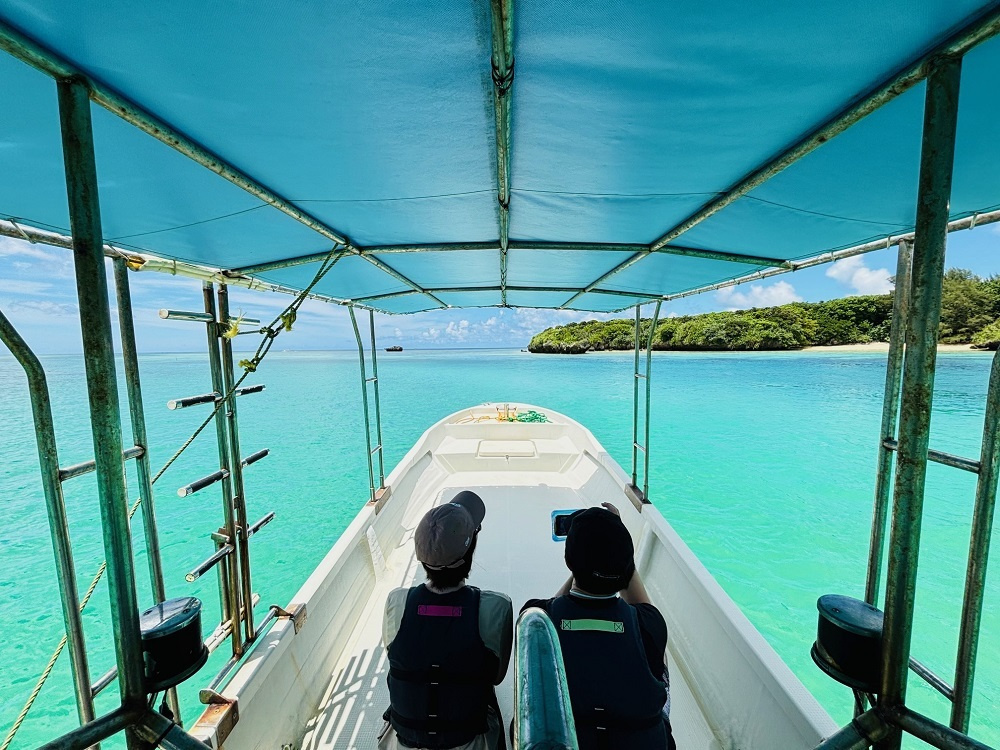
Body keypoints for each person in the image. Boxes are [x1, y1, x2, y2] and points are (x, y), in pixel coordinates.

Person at [522, 502, 676, 750]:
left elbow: (549, 612)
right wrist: (616, 547)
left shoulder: (536, 617)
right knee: (659, 651)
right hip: (639, 740)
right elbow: (644, 608)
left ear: (569, 562)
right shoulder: (649, 624)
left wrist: (583, 567)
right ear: (625, 564)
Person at [380, 491, 513, 750]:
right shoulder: (494, 606)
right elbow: (495, 676)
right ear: (471, 549)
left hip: (406, 742)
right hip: (468, 741)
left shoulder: (396, 602)